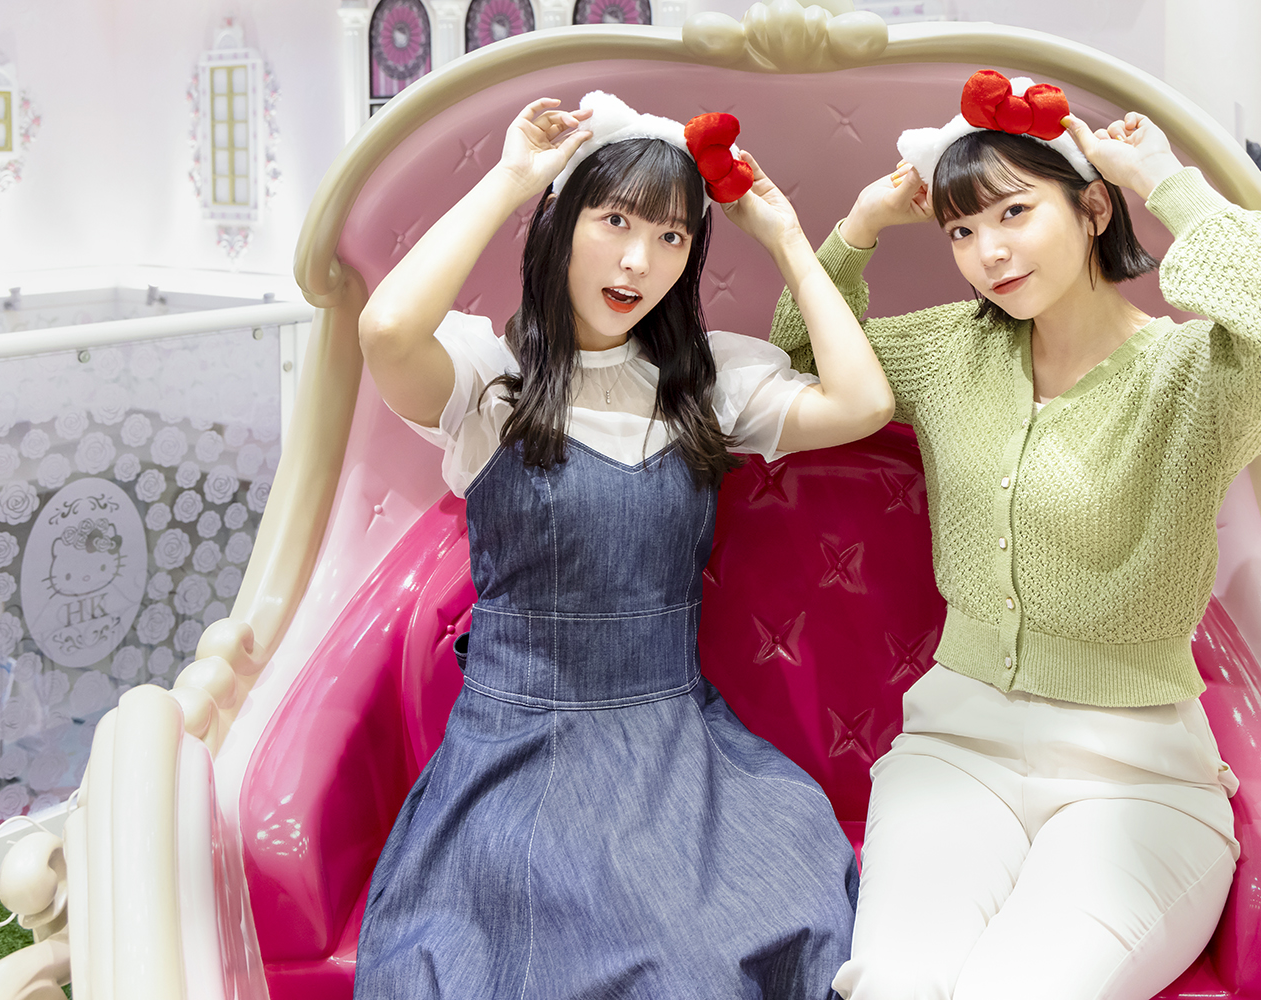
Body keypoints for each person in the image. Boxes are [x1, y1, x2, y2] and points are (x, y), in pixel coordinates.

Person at [771, 70, 1261, 999]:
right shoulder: (951, 349)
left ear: (1091, 209)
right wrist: (864, 225)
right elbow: (799, 356)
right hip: (954, 752)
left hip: (1137, 779)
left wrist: (1163, 176)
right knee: (888, 983)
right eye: (962, 230)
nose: (986, 252)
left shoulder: (1189, 376)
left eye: (1012, 213)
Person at [352, 91, 893, 999]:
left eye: (674, 237)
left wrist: (788, 237)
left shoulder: (702, 383)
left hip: (674, 746)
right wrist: (512, 178)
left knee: (753, 930)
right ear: (562, 224)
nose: (641, 261)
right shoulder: (491, 380)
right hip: (519, 752)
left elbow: (862, 403)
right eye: (614, 222)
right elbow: (385, 329)